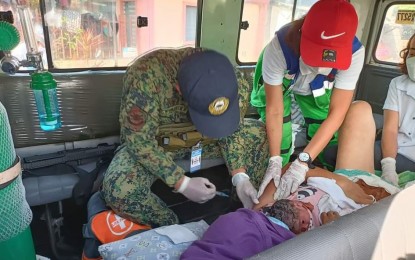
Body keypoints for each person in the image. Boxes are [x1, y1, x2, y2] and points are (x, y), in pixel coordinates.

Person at [180, 101, 401, 260]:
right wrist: (300, 170)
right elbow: (283, 177)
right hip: (342, 179)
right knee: (360, 108)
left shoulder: (366, 205)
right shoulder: (273, 210)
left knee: (360, 108)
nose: (302, 202)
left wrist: (334, 233)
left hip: (357, 185)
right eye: (302, 204)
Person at [102, 48, 269, 227]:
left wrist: (240, 176)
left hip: (206, 142)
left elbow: (232, 129)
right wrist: (181, 183)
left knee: (260, 134)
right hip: (159, 148)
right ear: (179, 89)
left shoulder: (234, 80)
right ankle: (171, 227)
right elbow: (139, 141)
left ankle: (243, 212)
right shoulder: (146, 77)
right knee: (118, 190)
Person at [250, 0, 365, 201]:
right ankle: (272, 185)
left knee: (327, 137)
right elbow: (275, 109)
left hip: (317, 88)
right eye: (317, 56)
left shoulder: (355, 53)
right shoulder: (280, 47)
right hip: (284, 78)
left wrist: (303, 161)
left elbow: (337, 112)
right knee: (280, 142)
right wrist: (276, 159)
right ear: (304, 35)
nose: (321, 66)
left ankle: (318, 178)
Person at [373, 32, 415, 185]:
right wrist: (388, 167)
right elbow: (390, 129)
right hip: (397, 150)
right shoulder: (397, 83)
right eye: (412, 53)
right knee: (333, 153)